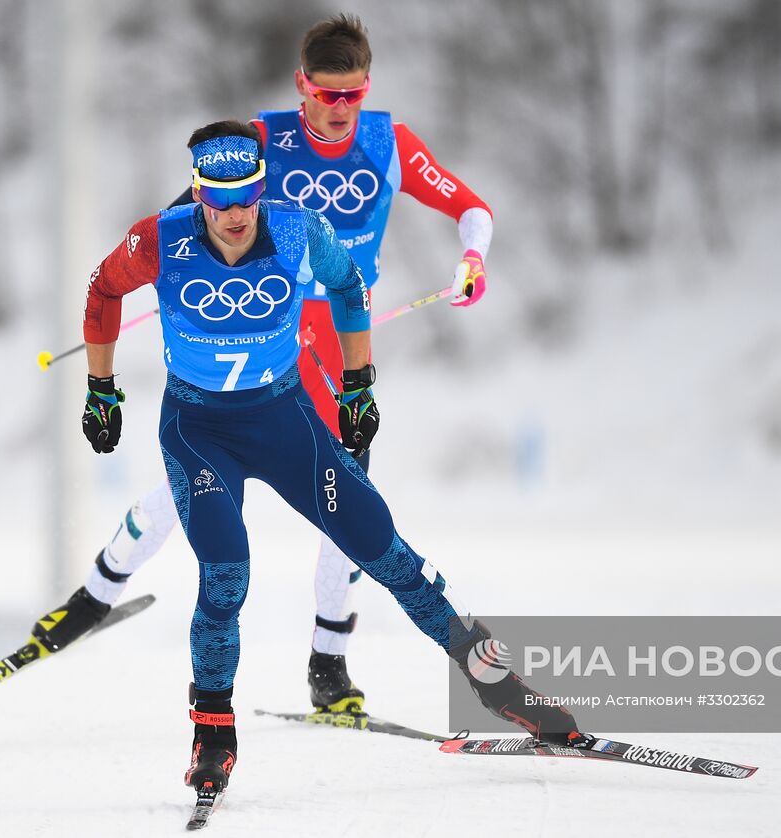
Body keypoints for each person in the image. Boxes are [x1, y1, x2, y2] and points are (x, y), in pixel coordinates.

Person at [76, 120, 581, 795]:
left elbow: (348, 288)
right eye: (216, 199)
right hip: (199, 432)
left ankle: (497, 684)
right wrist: (102, 390)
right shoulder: (158, 239)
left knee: (386, 550)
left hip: (287, 423)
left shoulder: (297, 229)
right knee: (227, 576)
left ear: (262, 189)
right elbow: (103, 290)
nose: (232, 215)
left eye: (245, 198)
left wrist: (358, 382)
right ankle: (212, 733)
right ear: (196, 195)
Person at [31, 14, 493, 718]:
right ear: (301, 87)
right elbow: (188, 216)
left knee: (351, 494)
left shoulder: (388, 143)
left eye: (353, 97)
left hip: (337, 336)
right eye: (325, 96)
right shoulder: (262, 141)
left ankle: (327, 659)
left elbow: (471, 208)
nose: (339, 113)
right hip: (267, 332)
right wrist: (176, 281)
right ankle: (96, 594)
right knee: (203, 483)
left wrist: (472, 259)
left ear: (366, 89)